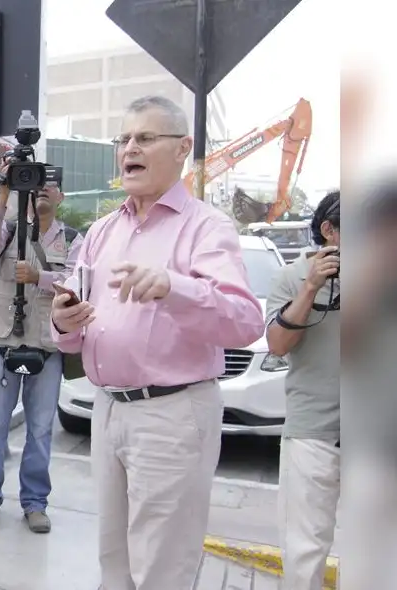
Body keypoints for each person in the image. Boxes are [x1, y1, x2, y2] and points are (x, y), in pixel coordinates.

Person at [50, 95, 265, 590]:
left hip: (172, 414)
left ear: (182, 148)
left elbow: (246, 322)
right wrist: (63, 322)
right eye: (123, 139)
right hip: (107, 410)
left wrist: (174, 287)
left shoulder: (206, 227)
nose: (130, 148)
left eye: (145, 138)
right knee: (114, 562)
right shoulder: (102, 231)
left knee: (162, 568)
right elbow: (71, 332)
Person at [0, 168, 81, 534]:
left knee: (40, 430)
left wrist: (40, 278)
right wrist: (3, 194)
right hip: (2, 342)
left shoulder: (72, 239)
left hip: (47, 347)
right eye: (38, 183)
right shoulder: (8, 230)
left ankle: (35, 503)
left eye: (52, 184)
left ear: (61, 196)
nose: (45, 189)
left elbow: (79, 283)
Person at [265, 192, 341, 590]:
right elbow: (277, 345)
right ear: (329, 230)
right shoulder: (291, 278)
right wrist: (311, 288)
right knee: (304, 549)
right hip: (313, 431)